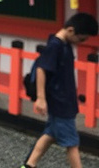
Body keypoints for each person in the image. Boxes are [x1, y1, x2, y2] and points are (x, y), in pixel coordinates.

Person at [21, 12, 98, 168]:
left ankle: (29, 165)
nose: (81, 42)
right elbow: (42, 69)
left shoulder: (63, 45)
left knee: (50, 135)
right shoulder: (55, 46)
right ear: (70, 30)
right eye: (81, 38)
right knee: (72, 143)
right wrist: (41, 98)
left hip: (63, 100)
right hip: (60, 102)